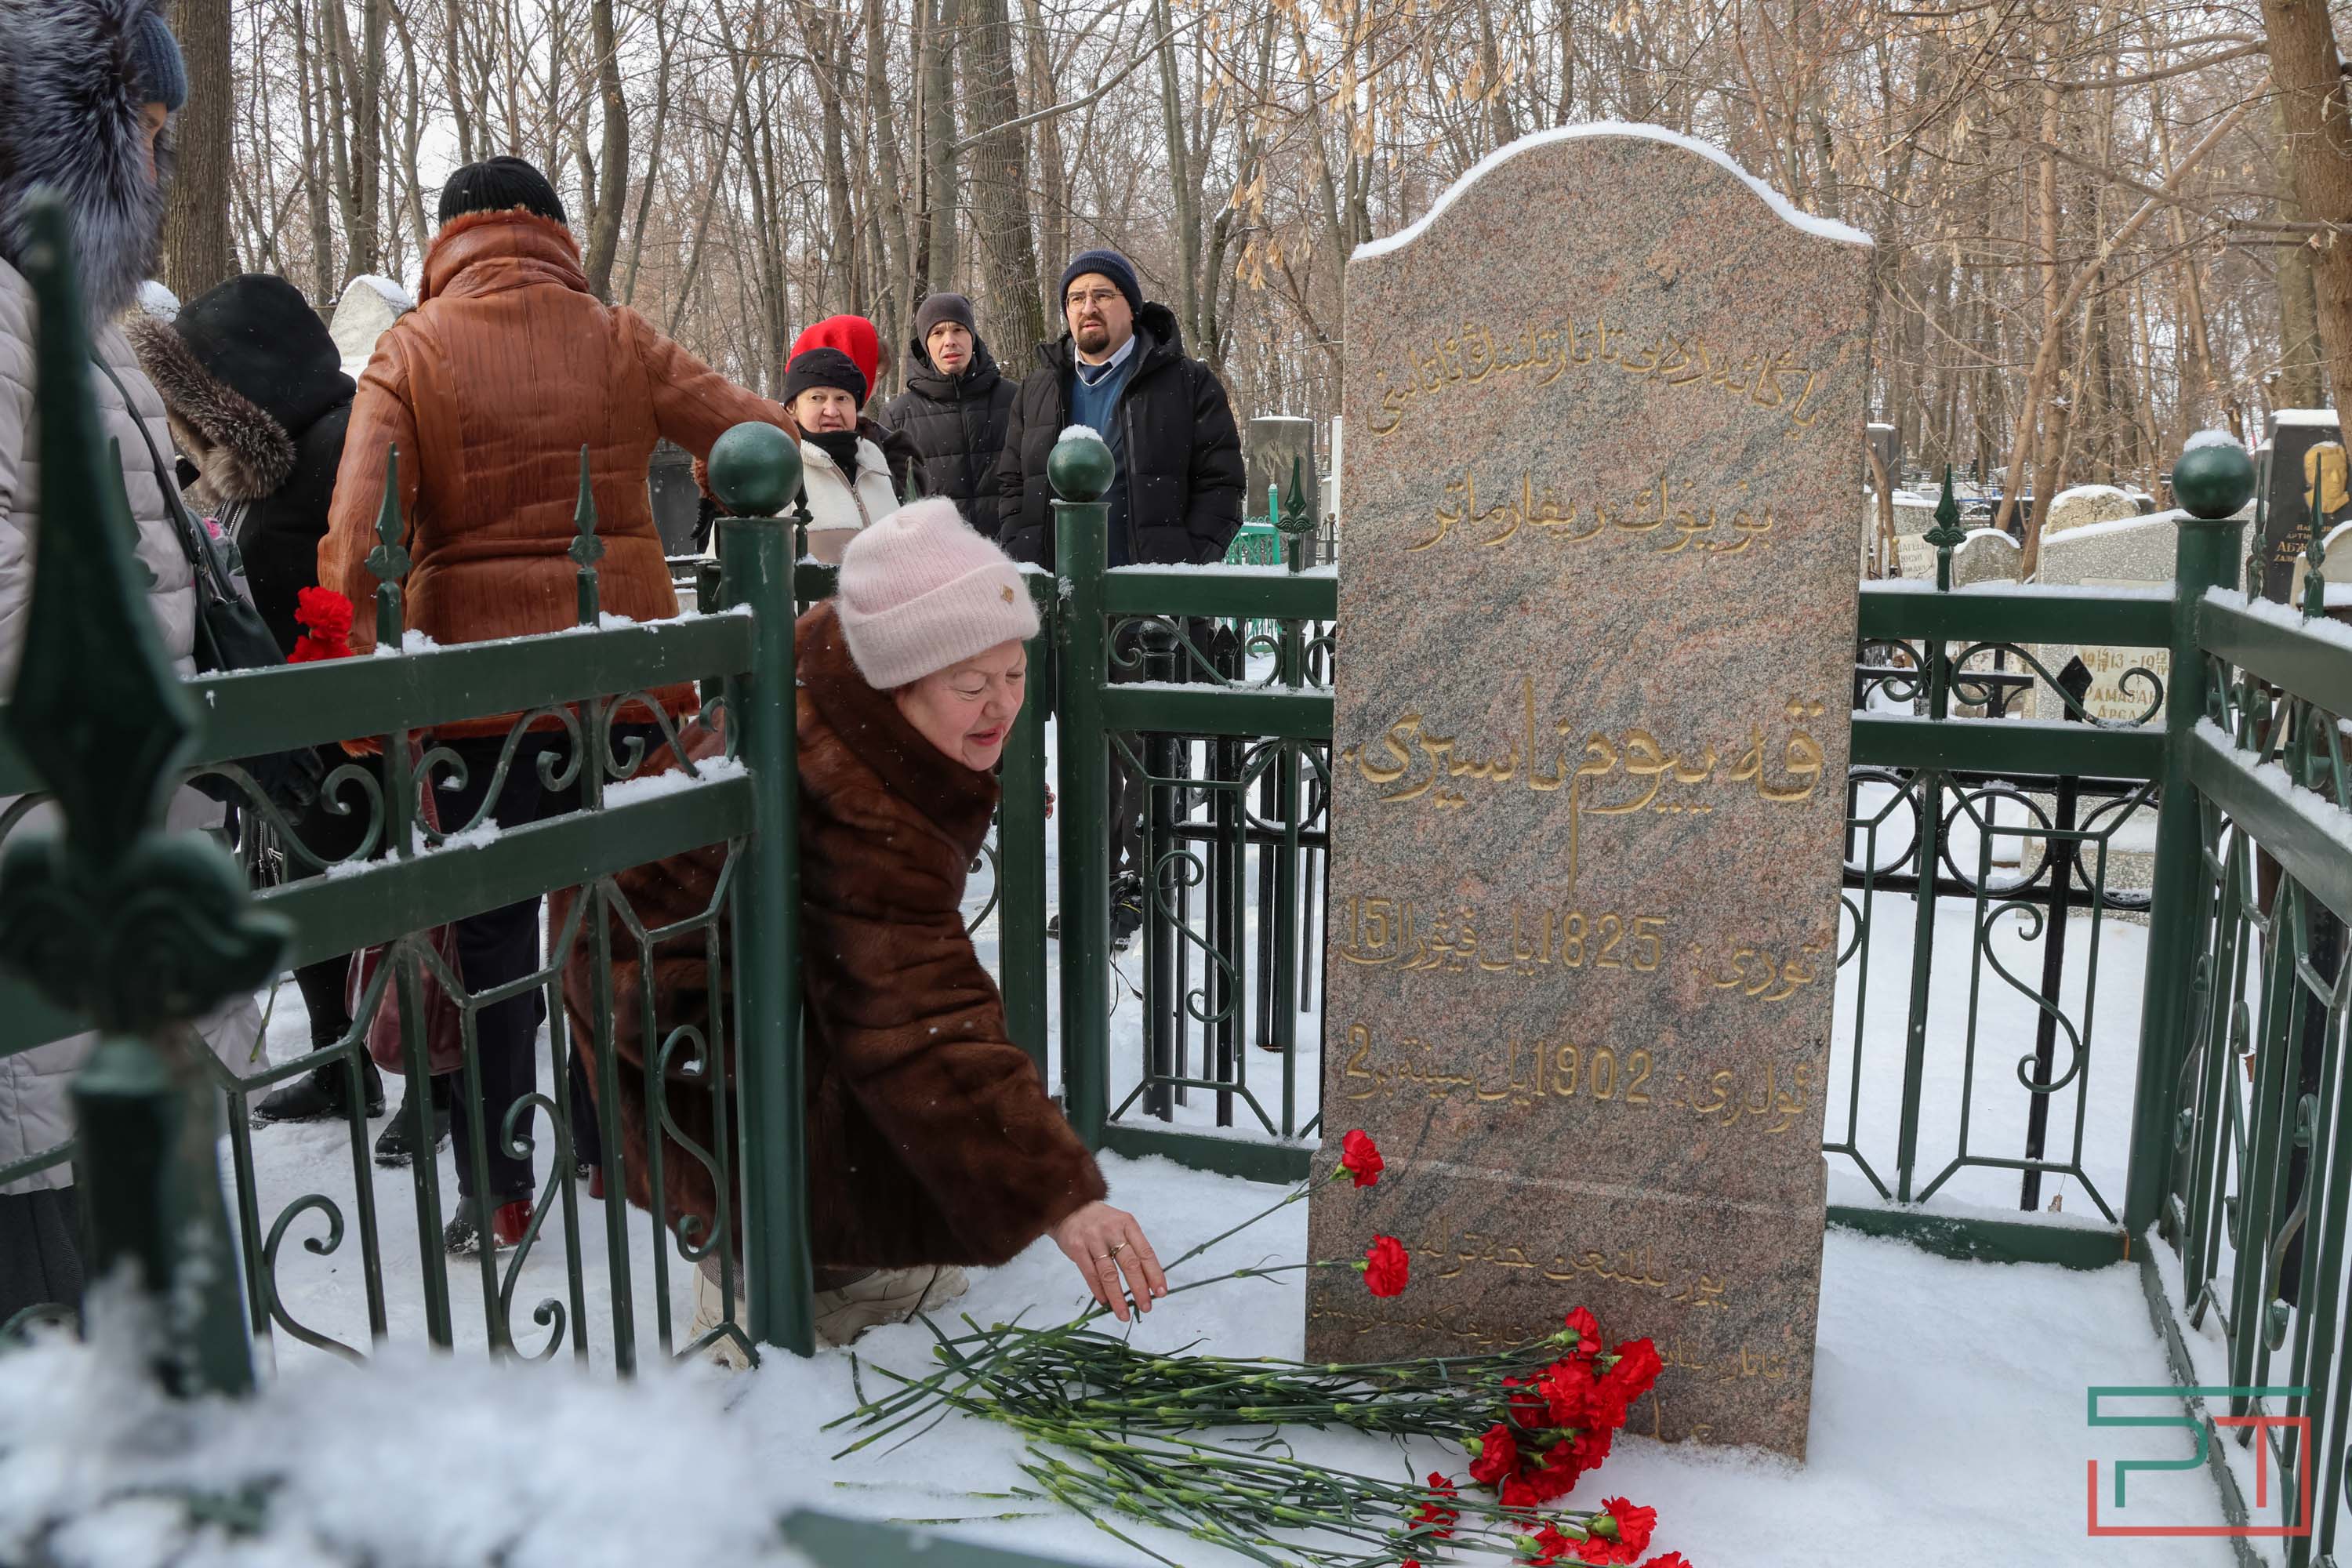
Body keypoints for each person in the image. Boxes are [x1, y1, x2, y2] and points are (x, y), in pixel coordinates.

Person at [317, 155, 798, 1254]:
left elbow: (354, 538)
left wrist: (357, 709)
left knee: (490, 940)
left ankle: (499, 1188)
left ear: (446, 240)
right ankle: (605, 1147)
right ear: (557, 231)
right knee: (610, 921)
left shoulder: (411, 349)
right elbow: (761, 442)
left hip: (478, 703)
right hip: (620, 681)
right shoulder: (619, 338)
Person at [558, 498, 1163, 1353]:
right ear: (901, 678)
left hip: (706, 967)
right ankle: (765, 1294)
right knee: (854, 1051)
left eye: (1015, 674)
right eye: (971, 684)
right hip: (667, 1005)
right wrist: (1058, 1192)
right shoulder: (855, 785)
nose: (1001, 707)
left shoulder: (857, 698)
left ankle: (846, 1263)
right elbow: (919, 1012)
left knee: (855, 1020)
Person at [0, 0, 260, 1322]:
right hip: (47, 839)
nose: (158, 168)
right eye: (141, 135)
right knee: (61, 1275)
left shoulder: (83, 318)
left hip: (131, 834)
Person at [129, 274, 376, 1126]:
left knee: (363, 898)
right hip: (301, 725)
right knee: (303, 890)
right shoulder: (269, 466)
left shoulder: (327, 453)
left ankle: (413, 1076)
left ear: (240, 389)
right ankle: (344, 1058)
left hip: (342, 727)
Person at [994, 248, 1245, 935]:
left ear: (1131, 307)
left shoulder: (1186, 383)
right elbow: (1013, 485)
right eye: (1076, 298)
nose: (1088, 308)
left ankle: (1143, 880)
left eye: (1103, 295)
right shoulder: (1041, 389)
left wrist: (1183, 567)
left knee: (1144, 747)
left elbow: (1223, 485)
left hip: (1146, 601)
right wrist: (1026, 559)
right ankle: (1091, 883)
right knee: (1082, 746)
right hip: (1067, 601)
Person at [880, 292, 1016, 540]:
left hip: (1009, 556)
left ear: (972, 337)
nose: (950, 341)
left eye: (958, 330)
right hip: (935, 559)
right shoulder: (898, 417)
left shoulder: (1015, 400)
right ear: (925, 343)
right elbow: (889, 504)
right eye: (938, 333)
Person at [779, 345, 901, 565]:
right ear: (792, 407)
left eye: (842, 398)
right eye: (817, 398)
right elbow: (733, 572)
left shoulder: (875, 467)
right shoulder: (776, 469)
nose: (832, 410)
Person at [791, 314, 914, 495]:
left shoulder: (888, 447)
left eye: (841, 399)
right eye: (875, 376)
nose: (875, 388)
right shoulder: (782, 457)